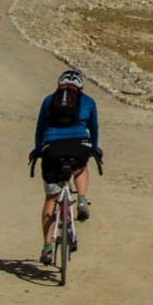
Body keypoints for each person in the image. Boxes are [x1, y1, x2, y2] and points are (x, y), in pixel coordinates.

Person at [31, 68, 101, 265]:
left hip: (52, 148)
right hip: (79, 146)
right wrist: (94, 148)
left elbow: (40, 128)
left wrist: (38, 150)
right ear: (81, 86)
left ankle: (46, 247)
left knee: (51, 198)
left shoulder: (49, 100)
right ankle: (81, 199)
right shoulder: (88, 101)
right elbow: (94, 128)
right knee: (81, 167)